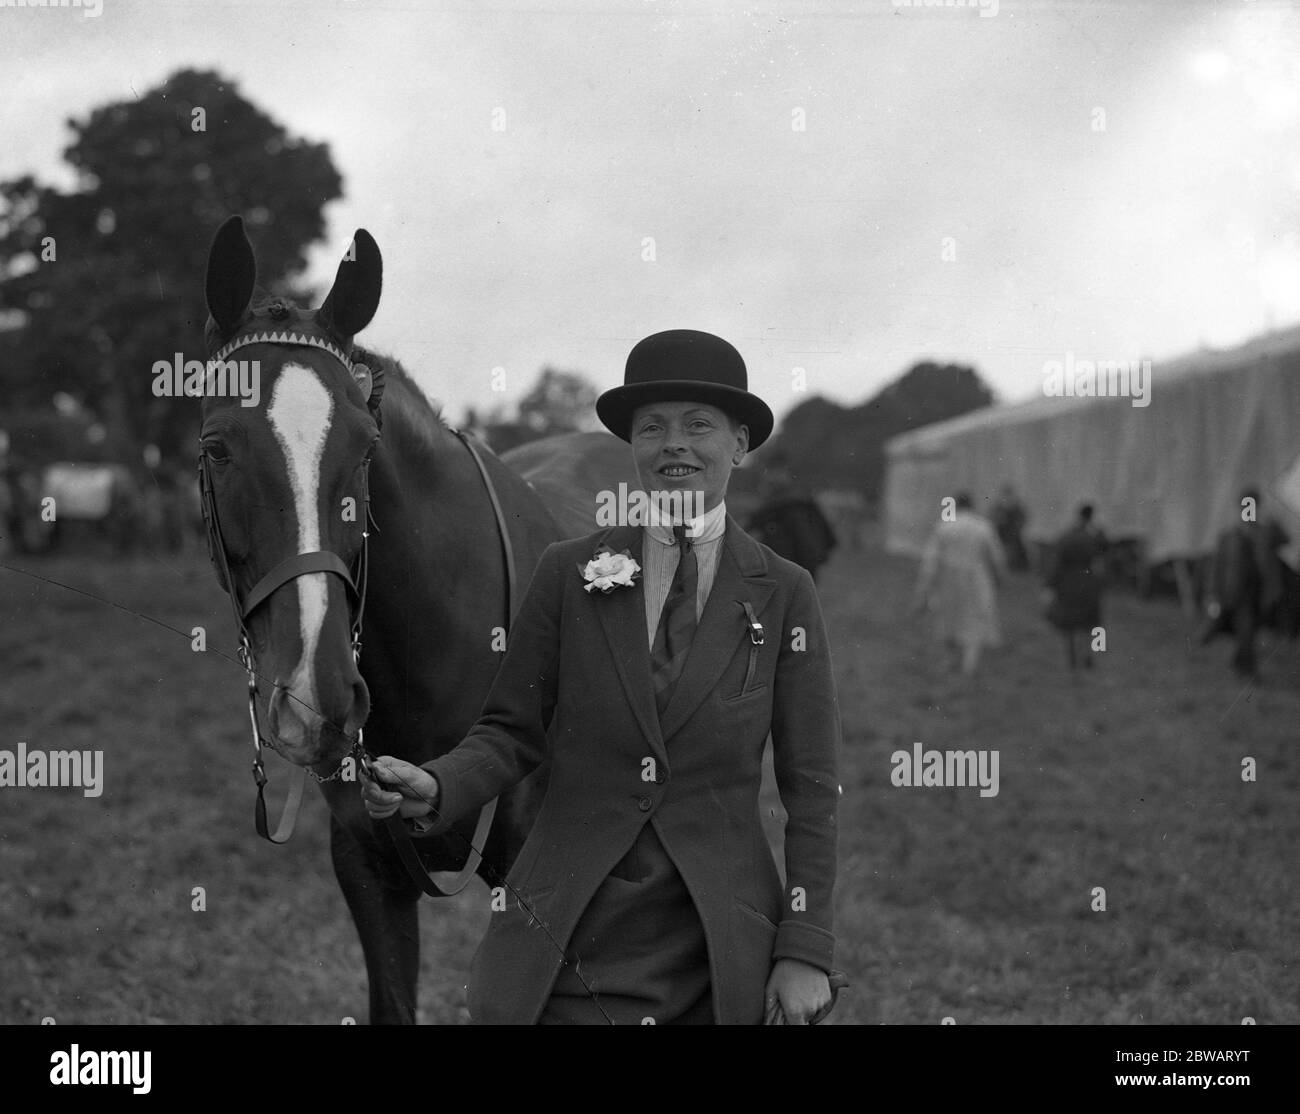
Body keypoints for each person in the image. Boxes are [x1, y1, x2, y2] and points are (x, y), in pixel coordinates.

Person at [362, 329, 842, 1025]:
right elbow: (508, 732)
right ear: (633, 449)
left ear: (739, 444)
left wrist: (805, 948)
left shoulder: (785, 593)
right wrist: (438, 784)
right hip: (566, 926)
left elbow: (814, 790)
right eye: (652, 428)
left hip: (715, 937)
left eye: (698, 426)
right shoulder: (567, 572)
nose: (673, 444)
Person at [1200, 487, 1291, 680]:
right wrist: (1213, 594)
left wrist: (1274, 522)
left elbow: (1285, 540)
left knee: (1247, 631)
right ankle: (1243, 667)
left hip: (1256, 594)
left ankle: (1242, 666)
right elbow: (1217, 569)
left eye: (1253, 505)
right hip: (1232, 593)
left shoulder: (1266, 532)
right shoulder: (1229, 536)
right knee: (1243, 630)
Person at [912, 492, 1006, 675]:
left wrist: (925, 586)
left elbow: (931, 560)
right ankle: (969, 664)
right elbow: (996, 555)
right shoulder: (983, 526)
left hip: (949, 577)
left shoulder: (945, 527)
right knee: (974, 616)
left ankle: (952, 660)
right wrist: (1000, 577)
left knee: (949, 617)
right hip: (976, 576)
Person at [1044, 503, 1108, 670]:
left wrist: (1050, 584)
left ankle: (1071, 656)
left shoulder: (1068, 536)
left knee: (1069, 622)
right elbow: (1103, 557)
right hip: (1090, 581)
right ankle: (1092, 653)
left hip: (1069, 582)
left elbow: (1056, 563)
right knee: (1092, 622)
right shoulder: (1096, 535)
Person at [991, 484, 1029, 571]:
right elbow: (993, 518)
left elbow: (1022, 519)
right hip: (1003, 535)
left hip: (1013, 535)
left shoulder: (1015, 506)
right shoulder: (999, 507)